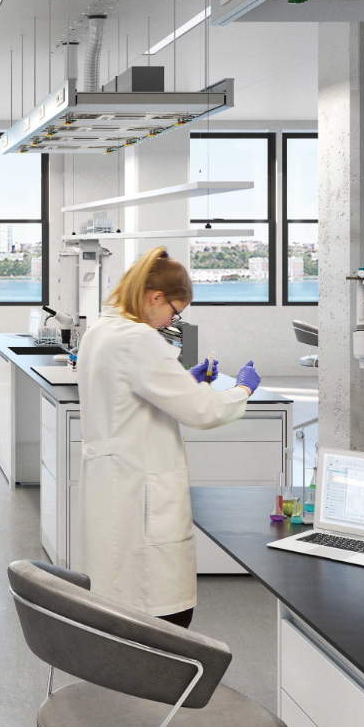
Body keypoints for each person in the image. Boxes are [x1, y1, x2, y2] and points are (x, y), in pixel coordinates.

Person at [78, 248, 261, 627]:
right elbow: (202, 411)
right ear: (155, 298)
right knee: (164, 611)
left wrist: (181, 380)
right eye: (175, 311)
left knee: (115, 595)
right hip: (141, 490)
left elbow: (127, 394)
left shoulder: (100, 329)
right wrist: (241, 391)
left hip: (111, 483)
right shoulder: (139, 339)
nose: (173, 320)